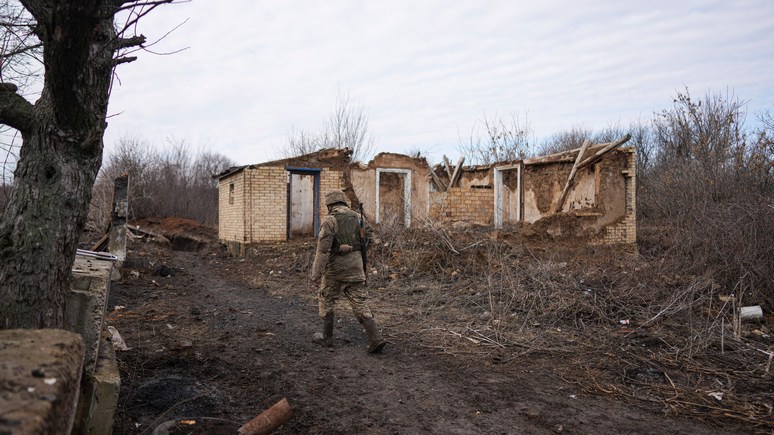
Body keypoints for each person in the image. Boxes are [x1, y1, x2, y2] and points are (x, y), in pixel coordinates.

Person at [309, 189, 387, 353]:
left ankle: (326, 337)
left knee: (327, 299)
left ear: (329, 204)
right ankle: (375, 338)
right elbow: (372, 239)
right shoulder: (358, 218)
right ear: (343, 201)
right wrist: (358, 252)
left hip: (335, 270)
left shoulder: (330, 220)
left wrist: (315, 275)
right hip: (356, 267)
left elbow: (323, 250)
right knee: (359, 303)